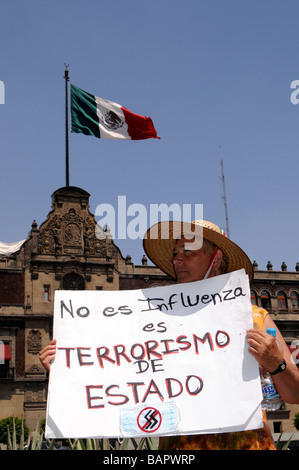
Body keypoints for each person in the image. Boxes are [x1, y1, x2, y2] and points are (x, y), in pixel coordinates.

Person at [142, 219, 299, 450]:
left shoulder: (254, 318)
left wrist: (276, 364)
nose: (176, 259)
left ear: (215, 259)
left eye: (187, 251)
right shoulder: (158, 323)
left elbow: (294, 393)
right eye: (176, 253)